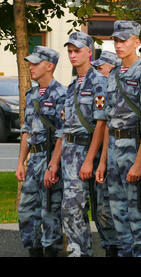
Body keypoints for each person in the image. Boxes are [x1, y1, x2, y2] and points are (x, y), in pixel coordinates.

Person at [95, 20, 141, 257]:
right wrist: (102, 161)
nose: (119, 45)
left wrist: (140, 162)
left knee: (138, 215)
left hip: (134, 148)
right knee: (117, 214)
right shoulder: (113, 74)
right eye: (116, 40)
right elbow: (107, 121)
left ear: (136, 41)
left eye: (124, 40)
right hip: (113, 151)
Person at [60, 32, 119, 257]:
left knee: (102, 210)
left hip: (90, 152)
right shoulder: (73, 85)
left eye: (77, 51)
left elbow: (101, 124)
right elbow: (66, 127)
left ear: (88, 52)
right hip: (71, 154)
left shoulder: (99, 82)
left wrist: (89, 160)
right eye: (70, 51)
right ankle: (79, 252)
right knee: (72, 208)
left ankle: (108, 249)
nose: (73, 55)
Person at [16, 46, 66, 257]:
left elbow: (62, 135)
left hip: (50, 161)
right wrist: (21, 162)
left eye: (36, 63)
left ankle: (52, 252)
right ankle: (34, 252)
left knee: (50, 215)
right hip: (34, 162)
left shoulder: (61, 94)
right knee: (26, 212)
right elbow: (27, 130)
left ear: (49, 66)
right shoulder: (33, 94)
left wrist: (53, 165)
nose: (31, 67)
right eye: (30, 63)